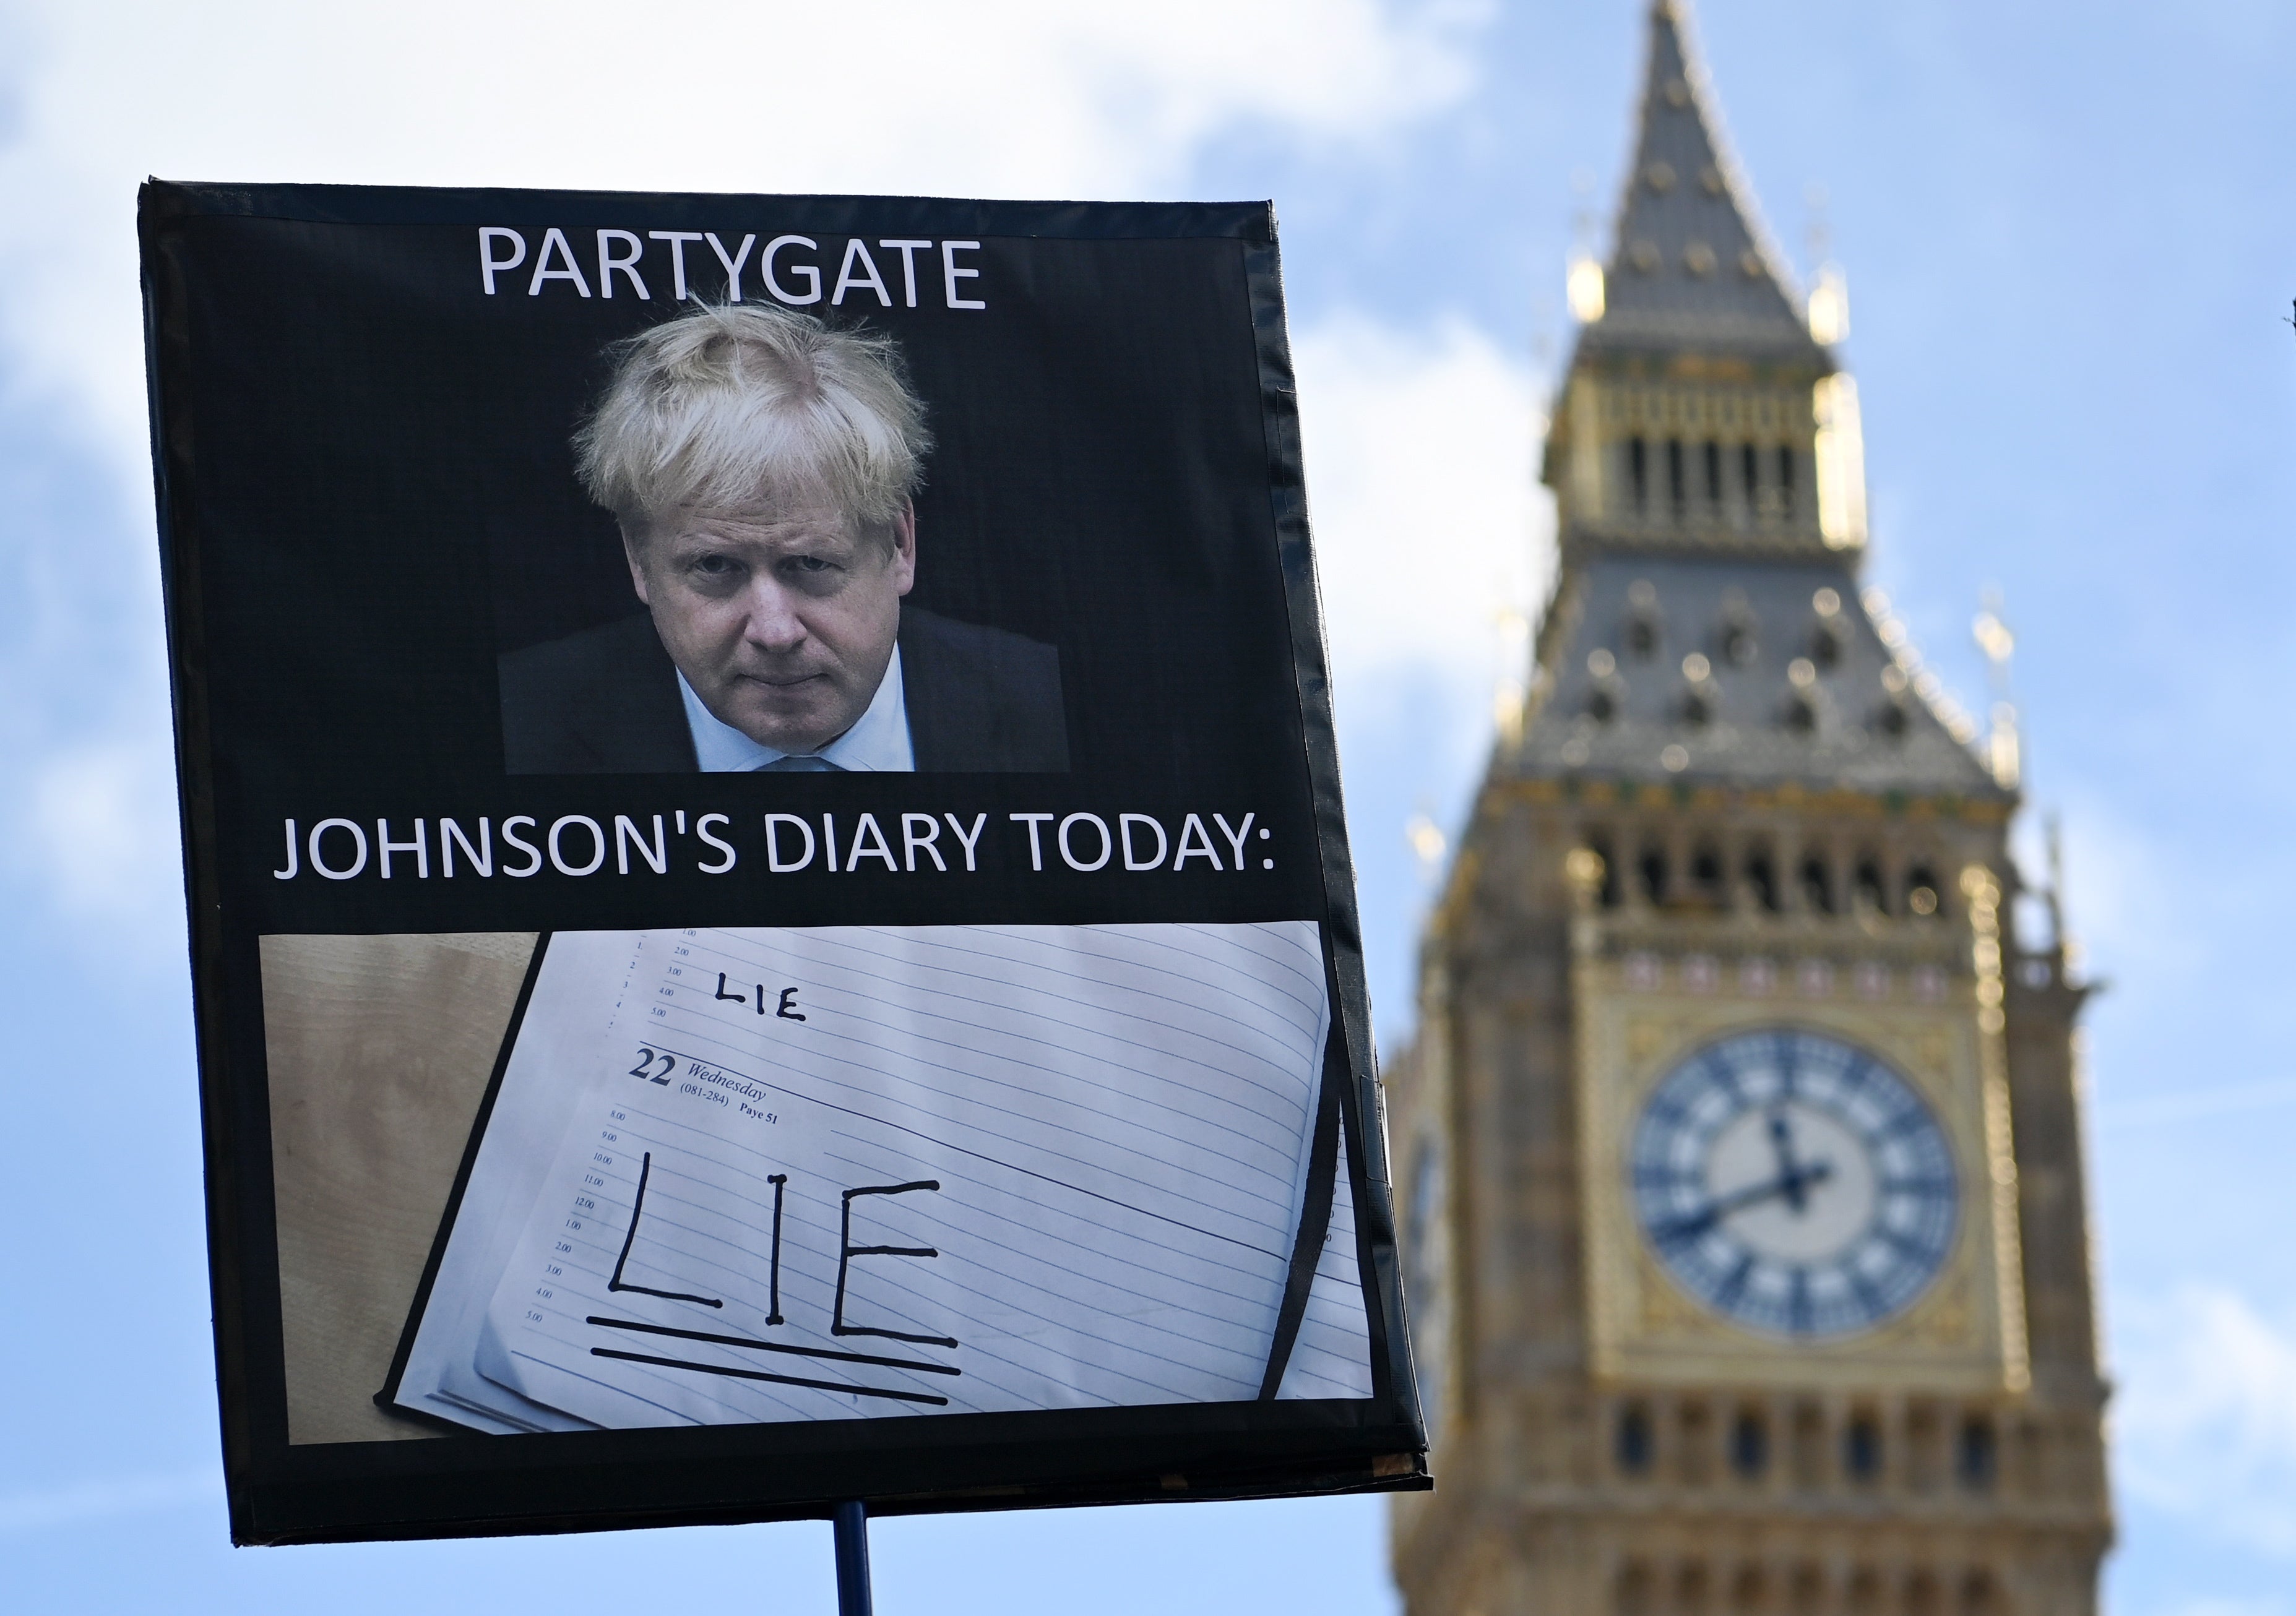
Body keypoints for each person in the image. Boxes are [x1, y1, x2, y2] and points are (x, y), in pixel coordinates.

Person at [499, 303, 1068, 773]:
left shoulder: (1057, 712)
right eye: (716, 567)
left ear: (899, 543)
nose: (774, 632)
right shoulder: (519, 729)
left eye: (811, 564)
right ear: (639, 562)